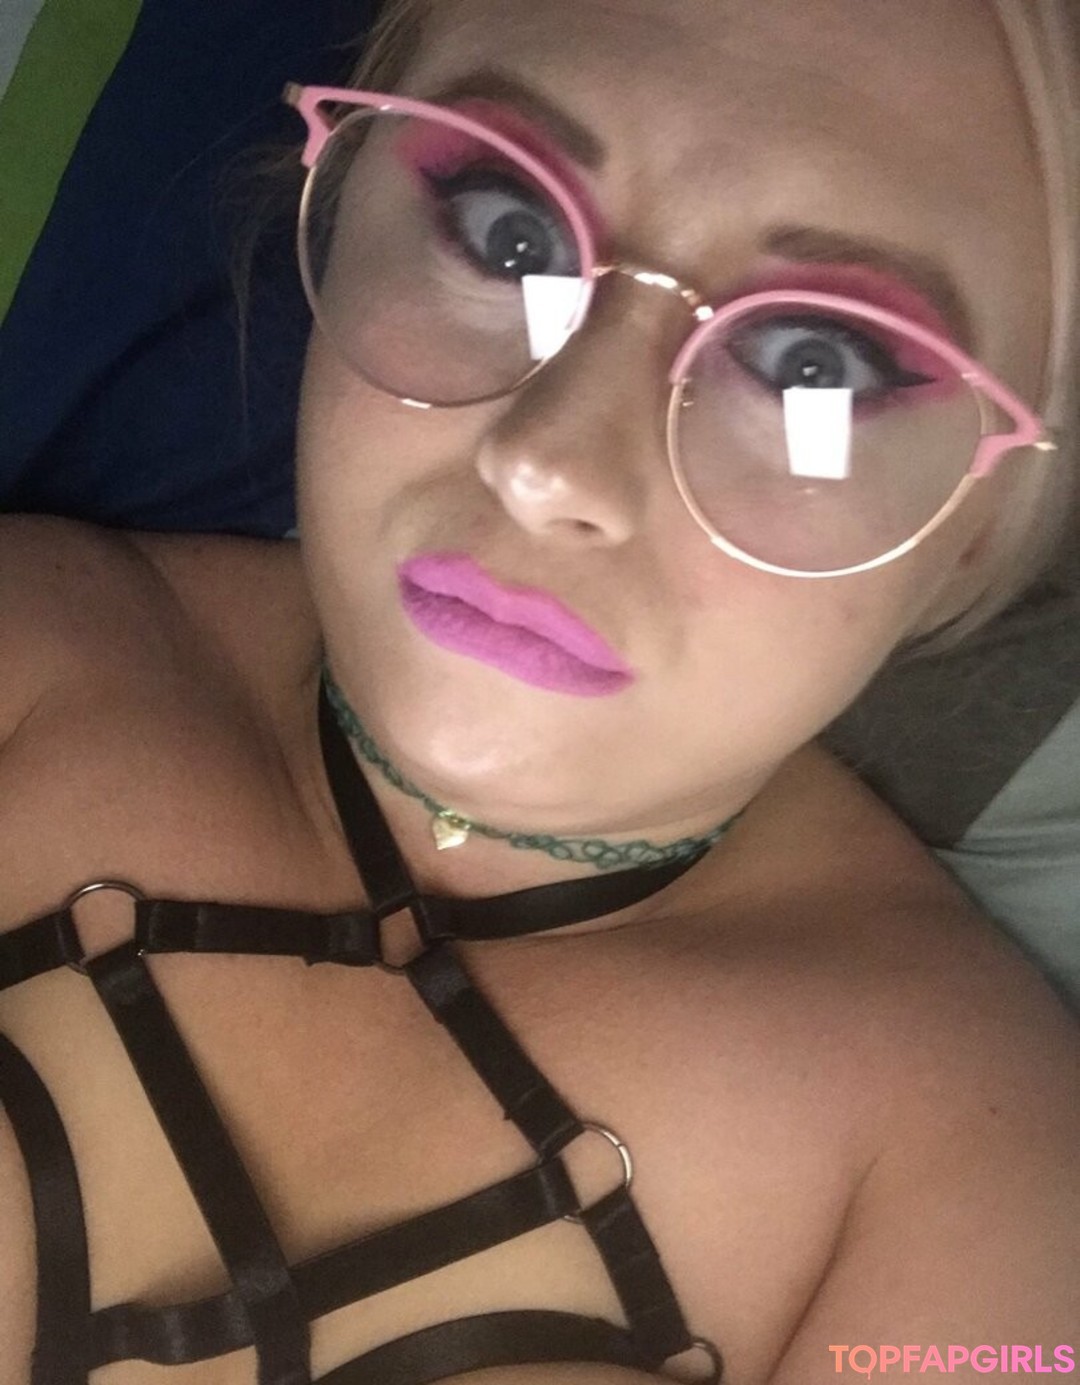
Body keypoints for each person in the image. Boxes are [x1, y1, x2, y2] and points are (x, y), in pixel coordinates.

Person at [1, 1, 1079, 1382]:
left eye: (819, 363)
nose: (550, 463)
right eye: (508, 233)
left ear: (986, 519)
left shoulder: (990, 1178)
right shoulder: (36, 647)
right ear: (344, 198)